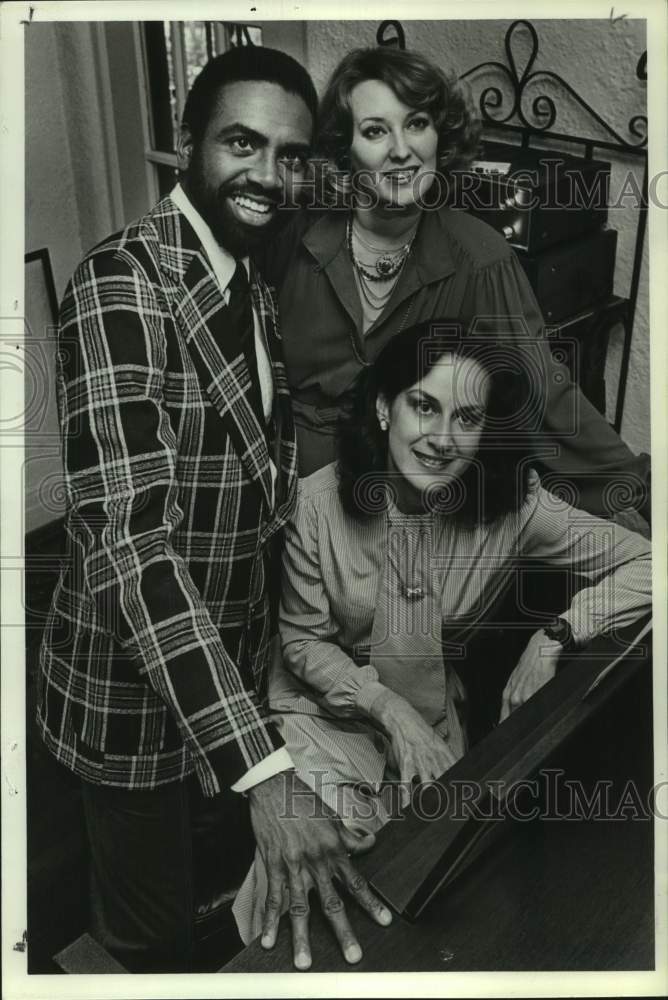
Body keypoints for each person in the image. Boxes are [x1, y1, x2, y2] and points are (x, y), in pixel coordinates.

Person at [37, 46, 391, 974]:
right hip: (129, 698)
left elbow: (257, 491)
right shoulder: (122, 285)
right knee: (148, 947)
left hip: (228, 685)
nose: (269, 175)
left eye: (290, 153)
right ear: (187, 143)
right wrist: (266, 772)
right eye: (243, 143)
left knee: (235, 926)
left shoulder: (252, 283)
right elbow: (132, 548)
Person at [233, 318, 652, 943]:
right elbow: (299, 642)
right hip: (326, 712)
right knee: (317, 876)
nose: (441, 439)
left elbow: (652, 562)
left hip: (433, 713)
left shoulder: (516, 505)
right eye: (423, 406)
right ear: (383, 408)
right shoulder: (318, 506)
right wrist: (386, 708)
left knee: (437, 892)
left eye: (467, 418)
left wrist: (559, 634)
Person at [259, 46, 651, 525]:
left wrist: (630, 486)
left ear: (440, 136)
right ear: (345, 149)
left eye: (417, 123)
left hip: (403, 500)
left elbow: (540, 387)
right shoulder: (294, 232)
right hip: (284, 489)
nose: (401, 149)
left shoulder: (480, 258)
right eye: (376, 130)